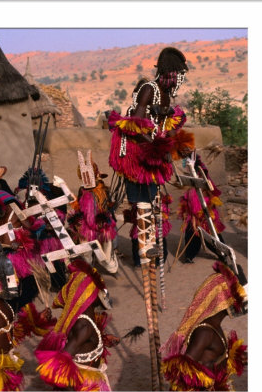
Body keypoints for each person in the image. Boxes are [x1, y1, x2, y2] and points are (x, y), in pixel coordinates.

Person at [108, 46, 195, 262]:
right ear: (168, 73)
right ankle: (143, 257)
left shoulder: (165, 95)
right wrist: (157, 146)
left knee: (154, 203)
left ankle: (154, 252)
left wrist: (177, 144)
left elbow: (168, 126)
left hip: (151, 153)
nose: (178, 81)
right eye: (177, 76)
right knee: (142, 205)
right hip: (136, 155)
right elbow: (134, 127)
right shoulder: (149, 89)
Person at [160, 261, 248, 391]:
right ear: (223, 299)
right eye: (240, 300)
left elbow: (212, 358)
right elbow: (184, 371)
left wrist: (234, 357)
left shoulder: (215, 327)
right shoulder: (205, 332)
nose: (242, 306)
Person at [35, 259, 114, 391]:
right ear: (89, 295)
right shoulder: (84, 325)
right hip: (84, 386)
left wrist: (102, 340)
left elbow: (83, 343)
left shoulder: (82, 319)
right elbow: (61, 364)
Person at [67, 152, 118, 274]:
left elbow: (108, 205)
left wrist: (110, 210)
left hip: (102, 223)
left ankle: (110, 263)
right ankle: (88, 268)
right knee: (85, 248)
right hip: (86, 225)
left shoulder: (103, 189)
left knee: (107, 244)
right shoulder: (82, 190)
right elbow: (79, 207)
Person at [177, 153, 226, 263]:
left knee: (213, 234)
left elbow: (209, 186)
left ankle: (223, 254)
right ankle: (189, 255)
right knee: (191, 234)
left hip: (205, 210)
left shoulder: (202, 171)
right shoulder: (189, 180)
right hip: (193, 213)